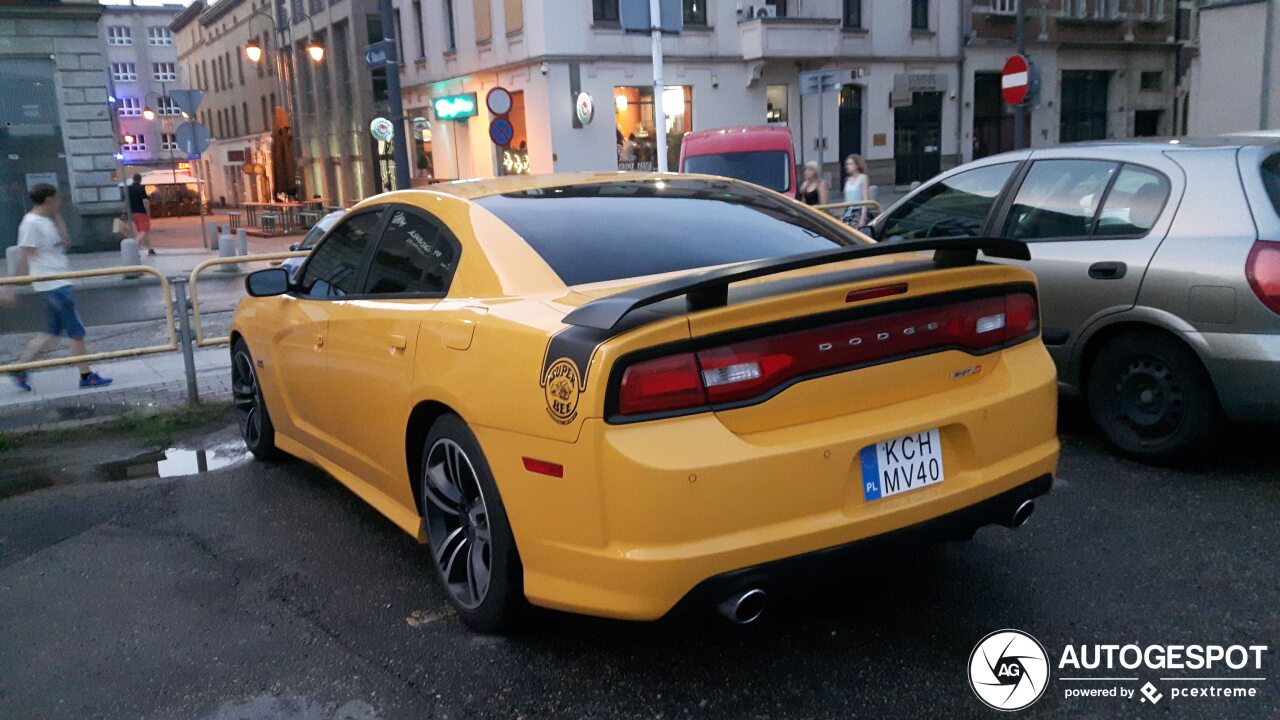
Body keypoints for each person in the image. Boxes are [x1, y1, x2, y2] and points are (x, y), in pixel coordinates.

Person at [9, 184, 112, 391]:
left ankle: (20, 368)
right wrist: (9, 287)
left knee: (52, 332)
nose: (59, 203)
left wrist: (57, 217)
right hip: (52, 284)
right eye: (57, 200)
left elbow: (65, 242)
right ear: (48, 200)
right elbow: (24, 255)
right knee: (76, 331)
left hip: (60, 280)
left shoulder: (47, 221)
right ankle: (86, 375)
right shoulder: (30, 223)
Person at [126, 173, 154, 256]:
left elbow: (126, 201)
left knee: (144, 231)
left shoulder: (129, 189)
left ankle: (150, 249)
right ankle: (134, 245)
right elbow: (145, 201)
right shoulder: (141, 188)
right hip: (141, 212)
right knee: (144, 231)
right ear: (140, 179)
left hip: (133, 213)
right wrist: (148, 213)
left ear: (133, 179)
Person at [841, 154, 871, 226]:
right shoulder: (847, 180)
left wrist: (862, 218)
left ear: (857, 165)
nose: (848, 166)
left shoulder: (863, 178)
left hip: (858, 211)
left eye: (851, 164)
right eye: (847, 164)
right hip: (848, 211)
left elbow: (865, 199)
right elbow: (846, 200)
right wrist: (842, 215)